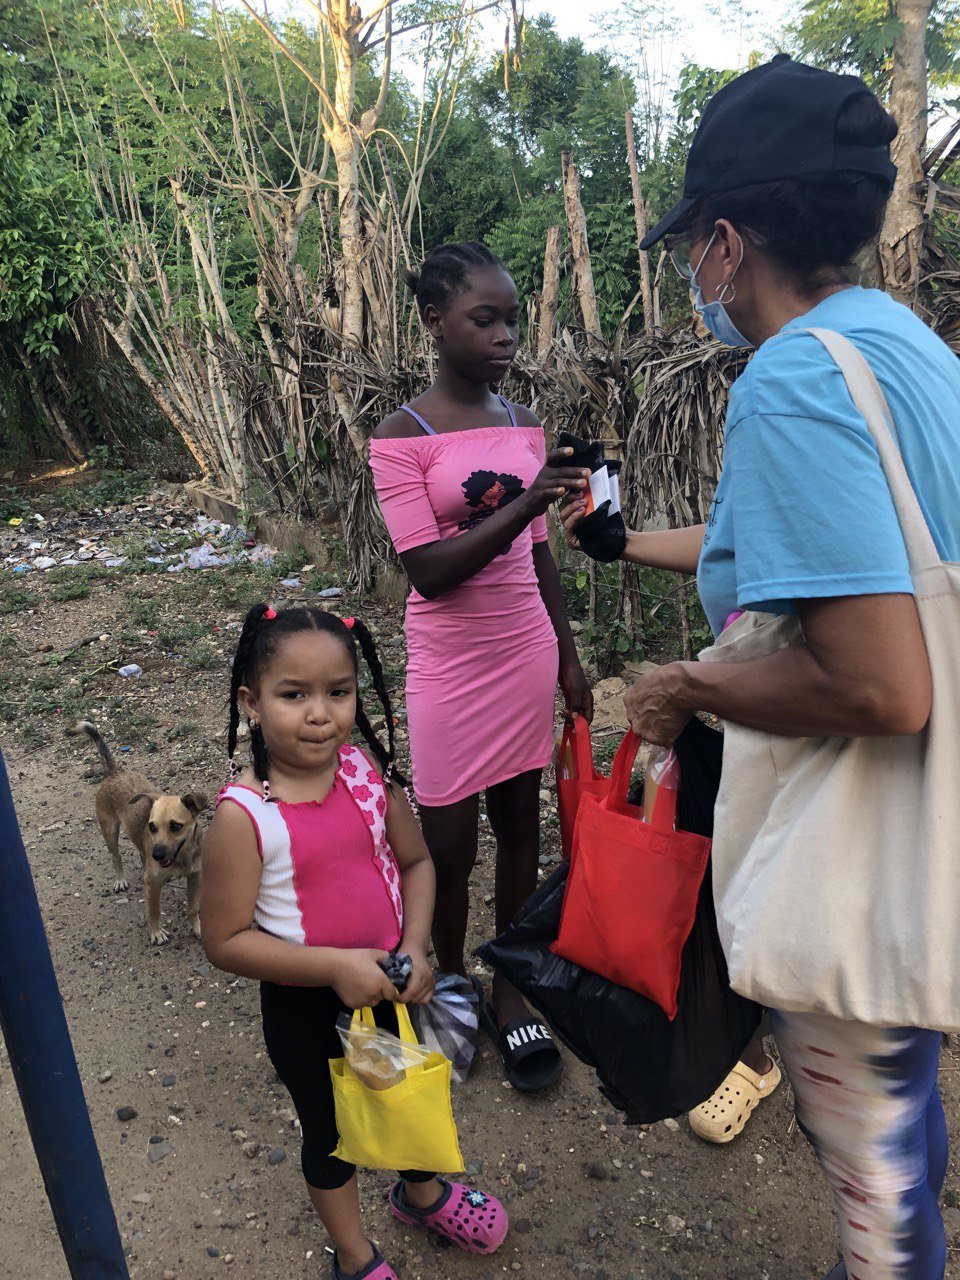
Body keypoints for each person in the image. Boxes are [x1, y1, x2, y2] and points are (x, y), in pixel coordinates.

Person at [564, 55, 958, 1280]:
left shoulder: (790, 380)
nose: (693, 273)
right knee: (903, 1108)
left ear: (728, 241)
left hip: (857, 826)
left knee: (878, 1192)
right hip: (929, 829)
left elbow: (882, 684)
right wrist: (620, 540)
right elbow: (778, 550)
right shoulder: (899, 346)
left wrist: (689, 686)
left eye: (694, 247)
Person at [201, 605, 508, 1280]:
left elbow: (418, 862)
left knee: (408, 1097)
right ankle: (354, 1253)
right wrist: (334, 967)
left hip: (394, 985)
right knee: (330, 1133)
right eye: (293, 695)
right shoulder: (243, 816)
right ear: (251, 703)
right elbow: (223, 940)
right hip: (305, 1010)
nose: (320, 714)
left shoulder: (369, 775)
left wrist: (418, 947)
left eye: (338, 693)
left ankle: (420, 1194)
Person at [369, 242, 593, 1092]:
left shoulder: (520, 423)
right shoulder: (402, 434)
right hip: (449, 662)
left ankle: (510, 988)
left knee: (519, 833)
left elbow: (538, 561)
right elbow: (426, 569)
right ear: (435, 322)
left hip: (523, 650)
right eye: (483, 319)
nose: (504, 335)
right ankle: (447, 982)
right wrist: (530, 498)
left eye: (510, 319)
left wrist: (569, 657)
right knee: (450, 847)